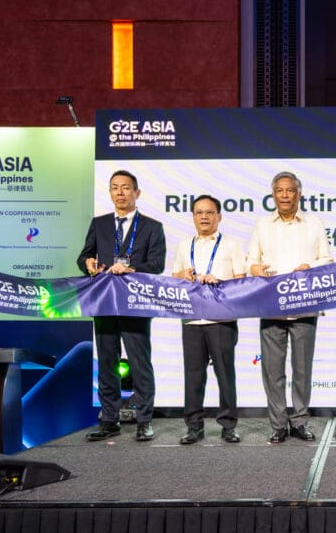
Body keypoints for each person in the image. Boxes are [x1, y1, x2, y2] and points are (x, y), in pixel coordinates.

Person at [77, 170, 167, 442]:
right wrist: (87, 264)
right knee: (106, 362)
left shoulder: (152, 226)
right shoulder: (100, 223)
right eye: (115, 187)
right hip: (104, 303)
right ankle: (109, 419)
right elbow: (84, 255)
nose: (120, 192)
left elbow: (157, 265)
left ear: (136, 193)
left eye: (126, 188)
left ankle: (144, 420)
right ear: (110, 192)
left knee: (140, 363)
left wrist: (131, 268)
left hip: (136, 304)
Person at [247, 171, 334, 443]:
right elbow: (251, 261)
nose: (285, 195)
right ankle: (278, 425)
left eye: (290, 190)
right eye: (280, 191)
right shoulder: (262, 224)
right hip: (271, 305)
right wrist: (256, 268)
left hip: (304, 304)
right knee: (273, 371)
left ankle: (300, 422)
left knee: (302, 370)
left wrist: (311, 267)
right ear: (273, 195)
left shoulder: (314, 223)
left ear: (299, 193)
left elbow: (327, 260)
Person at [171, 195, 246, 444]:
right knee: (193, 375)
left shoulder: (232, 244)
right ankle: (194, 427)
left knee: (226, 374)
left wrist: (220, 282)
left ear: (219, 216)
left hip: (221, 318)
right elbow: (174, 277)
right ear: (193, 217)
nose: (204, 217)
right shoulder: (183, 245)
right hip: (191, 319)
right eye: (199, 213)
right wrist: (182, 274)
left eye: (209, 212)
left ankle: (228, 425)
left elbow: (241, 280)